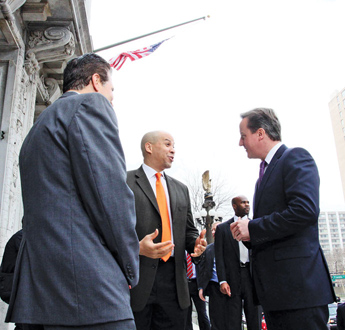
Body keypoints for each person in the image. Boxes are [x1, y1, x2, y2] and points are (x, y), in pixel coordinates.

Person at [5, 53, 140, 330]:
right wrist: (130, 265)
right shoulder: (89, 106)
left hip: (41, 295)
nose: (112, 98)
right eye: (111, 89)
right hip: (90, 292)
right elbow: (111, 198)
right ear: (95, 80)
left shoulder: (37, 129)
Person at [230, 108, 336, 330]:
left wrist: (253, 227)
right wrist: (247, 234)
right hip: (276, 294)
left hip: (299, 291)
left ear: (260, 133)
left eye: (243, 136)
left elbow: (304, 211)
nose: (241, 143)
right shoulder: (262, 176)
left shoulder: (296, 157)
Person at [126, 130, 207, 330]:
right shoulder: (124, 181)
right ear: (149, 147)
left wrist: (195, 244)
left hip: (175, 283)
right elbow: (113, 229)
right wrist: (134, 248)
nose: (173, 150)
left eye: (173, 146)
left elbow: (188, 231)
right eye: (168, 144)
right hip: (136, 279)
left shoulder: (181, 189)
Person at [215, 196, 259, 330]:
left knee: (254, 317)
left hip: (252, 277)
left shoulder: (256, 225)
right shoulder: (223, 229)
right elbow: (219, 256)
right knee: (233, 319)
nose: (247, 205)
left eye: (248, 202)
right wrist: (222, 280)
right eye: (243, 202)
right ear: (234, 206)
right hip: (232, 278)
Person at [198, 221, 227, 330]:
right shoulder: (208, 249)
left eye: (217, 229)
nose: (214, 232)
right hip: (214, 288)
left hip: (230, 288)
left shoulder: (230, 247)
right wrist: (201, 287)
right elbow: (203, 269)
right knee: (215, 321)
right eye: (213, 230)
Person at [185, 251, 210, 330]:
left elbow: (204, 268)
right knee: (186, 313)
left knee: (202, 312)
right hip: (185, 284)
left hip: (197, 284)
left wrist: (202, 286)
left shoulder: (197, 251)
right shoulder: (181, 251)